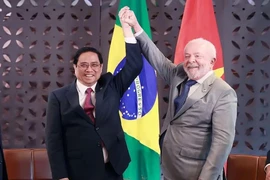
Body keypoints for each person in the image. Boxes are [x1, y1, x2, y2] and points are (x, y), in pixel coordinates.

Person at [119, 7, 237, 180]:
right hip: (170, 169)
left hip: (197, 174)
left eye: (198, 56)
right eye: (187, 56)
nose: (191, 61)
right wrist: (136, 27)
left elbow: (222, 144)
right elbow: (157, 59)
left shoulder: (223, 93)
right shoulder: (180, 74)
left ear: (212, 62)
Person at [45, 10, 143, 180]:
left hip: (112, 169)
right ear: (74, 68)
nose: (89, 69)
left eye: (94, 65)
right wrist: (61, 176)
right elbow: (54, 140)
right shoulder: (58, 97)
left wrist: (128, 29)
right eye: (83, 65)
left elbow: (134, 65)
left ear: (101, 67)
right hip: (78, 172)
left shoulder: (112, 86)